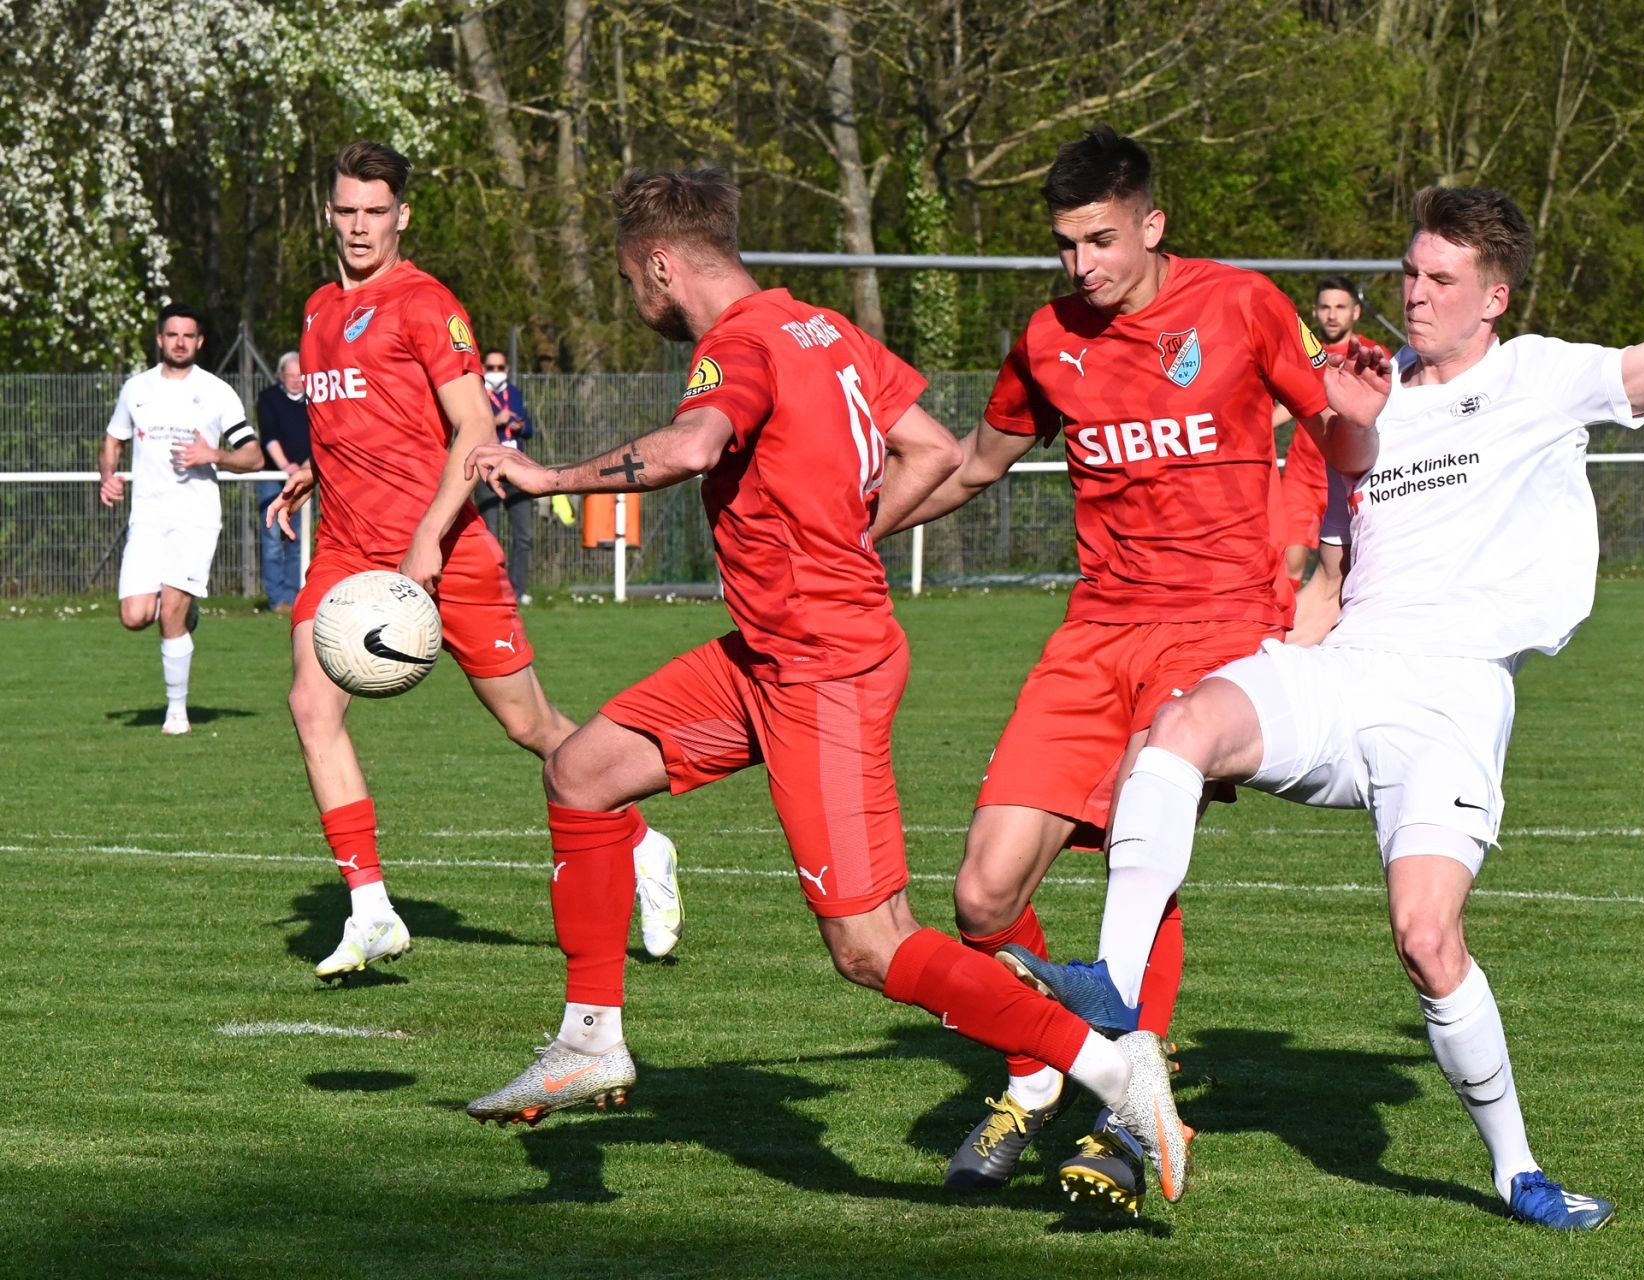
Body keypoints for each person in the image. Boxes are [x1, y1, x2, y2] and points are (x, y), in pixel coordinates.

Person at [1015, 81, 1644, 1231]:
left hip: (1452, 697)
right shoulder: (1366, 378)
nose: (1414, 291)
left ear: (1493, 296)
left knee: (1425, 936)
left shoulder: (1545, 376)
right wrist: (1349, 424)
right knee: (1179, 725)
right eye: (1409, 272)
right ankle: (1121, 1004)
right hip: (1348, 670)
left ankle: (1517, 1167)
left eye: (1440, 278)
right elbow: (1333, 507)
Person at [460, 168, 1187, 1212]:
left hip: (820, 666)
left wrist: (549, 477)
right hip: (767, 650)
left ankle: (1121, 1076)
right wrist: (849, 534)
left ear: (663, 265)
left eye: (632, 281)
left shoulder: (739, 344)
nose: (638, 301)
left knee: (871, 944)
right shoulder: (822, 328)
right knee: (582, 770)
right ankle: (590, 1040)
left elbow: (692, 445)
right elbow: (932, 449)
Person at [871, 125, 1376, 1209]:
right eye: (1065, 246)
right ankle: (1044, 1064)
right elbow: (974, 462)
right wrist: (853, 529)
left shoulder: (1240, 305)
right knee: (982, 889)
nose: (1081, 266)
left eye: (1101, 240)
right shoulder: (1048, 337)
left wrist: (1332, 566)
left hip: (1213, 628)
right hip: (1095, 631)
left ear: (1153, 224)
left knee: (1139, 859)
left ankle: (1125, 1115)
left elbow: (1340, 432)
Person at [267, 141, 681, 980]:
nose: (358, 226)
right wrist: (316, 468)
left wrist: (427, 536)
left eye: (374, 212)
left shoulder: (426, 304)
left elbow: (475, 431)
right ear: (330, 211)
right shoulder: (315, 313)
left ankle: (643, 844)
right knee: (311, 704)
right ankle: (371, 909)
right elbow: (360, 417)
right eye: (346, 210)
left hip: (444, 551)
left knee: (533, 729)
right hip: (347, 553)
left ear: (401, 216)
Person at [98, 304, 263, 735]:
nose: (180, 342)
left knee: (169, 610)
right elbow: (113, 440)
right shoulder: (136, 389)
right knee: (135, 616)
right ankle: (187, 617)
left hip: (195, 518)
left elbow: (254, 455)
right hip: (147, 518)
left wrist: (216, 455)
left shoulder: (216, 392)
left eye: (188, 336)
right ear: (159, 339)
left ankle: (176, 714)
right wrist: (108, 477)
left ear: (200, 342)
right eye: (172, 335)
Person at [1270, 276, 1390, 588]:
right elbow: (1297, 399)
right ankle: (1289, 633)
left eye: (1340, 307)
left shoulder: (1369, 354)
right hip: (1302, 472)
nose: (1332, 314)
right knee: (1288, 562)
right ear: (1314, 312)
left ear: (1356, 312)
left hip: (1346, 472)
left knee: (1344, 568)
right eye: (1325, 307)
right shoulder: (1300, 352)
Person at [473, 348, 536, 603]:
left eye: (500, 368)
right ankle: (489, 591)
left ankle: (517, 590)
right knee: (489, 534)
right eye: (491, 367)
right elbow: (470, 426)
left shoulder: (515, 393)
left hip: (516, 468)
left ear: (507, 370)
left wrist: (522, 426)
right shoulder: (477, 395)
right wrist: (495, 421)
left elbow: (530, 428)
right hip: (488, 470)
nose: (495, 372)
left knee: (524, 535)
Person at [255, 350, 311, 611]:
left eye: (300, 375)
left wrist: (307, 466)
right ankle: (277, 600)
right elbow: (269, 437)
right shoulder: (268, 399)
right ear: (281, 376)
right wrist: (286, 467)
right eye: (290, 375)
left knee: (296, 539)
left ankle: (294, 596)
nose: (296, 380)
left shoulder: (315, 400)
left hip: (305, 480)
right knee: (272, 541)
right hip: (274, 478)